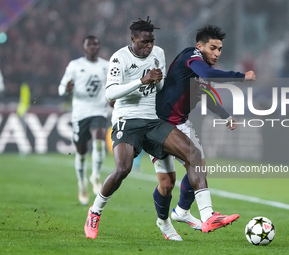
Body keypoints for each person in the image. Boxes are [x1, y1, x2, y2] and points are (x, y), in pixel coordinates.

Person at [84, 17, 239, 241]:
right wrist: (142, 80)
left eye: (151, 41)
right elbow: (110, 93)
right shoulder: (120, 58)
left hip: (154, 120)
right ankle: (95, 211)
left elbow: (161, 86)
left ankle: (205, 216)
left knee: (191, 158)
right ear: (133, 39)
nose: (149, 46)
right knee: (123, 169)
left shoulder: (158, 53)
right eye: (144, 42)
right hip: (127, 121)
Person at [152, 25, 256, 231]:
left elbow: (205, 94)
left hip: (181, 123)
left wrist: (225, 116)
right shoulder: (191, 55)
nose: (217, 53)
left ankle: (183, 212)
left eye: (220, 49)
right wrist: (243, 77)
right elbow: (209, 75)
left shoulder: (197, 70)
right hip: (159, 124)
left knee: (199, 164)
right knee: (166, 183)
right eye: (213, 48)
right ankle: (170, 220)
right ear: (200, 46)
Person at [58, 35, 110, 206]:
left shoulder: (106, 66)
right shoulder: (75, 66)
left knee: (99, 141)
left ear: (99, 47)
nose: (93, 47)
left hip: (99, 111)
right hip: (80, 113)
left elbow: (112, 86)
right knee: (81, 152)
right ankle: (82, 183)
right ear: (84, 47)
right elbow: (60, 89)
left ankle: (95, 175)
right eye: (90, 45)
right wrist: (66, 89)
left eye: (96, 44)